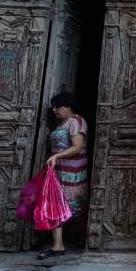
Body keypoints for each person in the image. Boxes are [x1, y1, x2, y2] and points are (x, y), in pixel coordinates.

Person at [38, 91, 88, 260]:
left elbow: (77, 147)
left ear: (68, 107)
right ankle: (57, 245)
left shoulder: (76, 121)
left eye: (57, 106)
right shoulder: (61, 125)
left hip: (73, 174)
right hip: (58, 172)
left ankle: (84, 237)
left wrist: (57, 156)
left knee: (77, 206)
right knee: (55, 204)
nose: (54, 110)